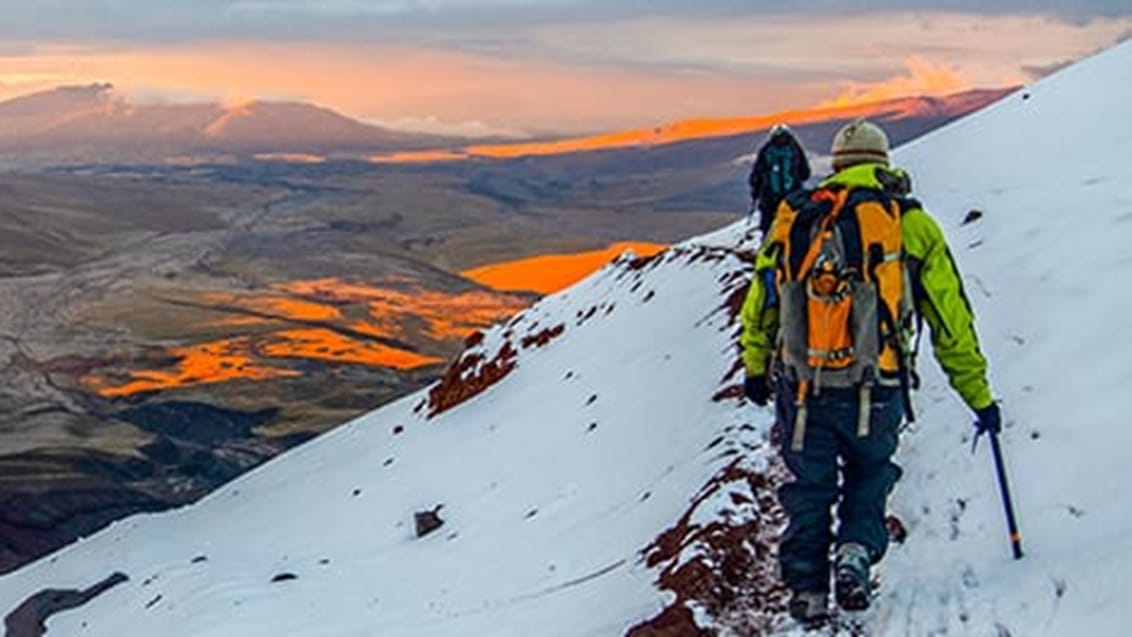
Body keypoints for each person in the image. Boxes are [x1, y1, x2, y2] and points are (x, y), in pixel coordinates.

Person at [738, 118, 1001, 625]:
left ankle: (807, 595)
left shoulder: (795, 218)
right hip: (874, 388)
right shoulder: (910, 224)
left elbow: (762, 300)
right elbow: (951, 320)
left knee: (808, 487)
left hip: (802, 386)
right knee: (870, 474)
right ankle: (855, 555)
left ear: (834, 165)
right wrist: (978, 395)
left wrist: (754, 364)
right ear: (884, 164)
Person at [748, 124, 811, 235]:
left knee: (769, 226)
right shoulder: (794, 149)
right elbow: (805, 172)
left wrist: (755, 190)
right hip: (791, 195)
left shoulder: (766, 150)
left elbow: (757, 172)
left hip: (770, 196)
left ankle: (769, 247)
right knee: (794, 224)